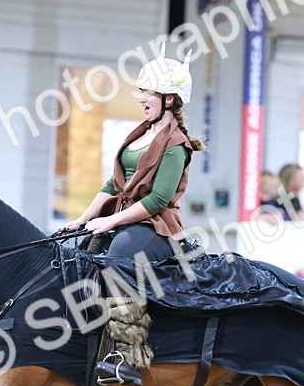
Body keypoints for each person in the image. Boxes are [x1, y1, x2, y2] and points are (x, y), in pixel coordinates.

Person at [66, 49, 204, 266]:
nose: (142, 99)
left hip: (155, 226)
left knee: (119, 252)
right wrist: (83, 219)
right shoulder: (139, 135)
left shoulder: (176, 145)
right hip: (125, 219)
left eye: (148, 93)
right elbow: (114, 184)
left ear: (168, 99)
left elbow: (158, 200)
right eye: (142, 92)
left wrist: (110, 220)